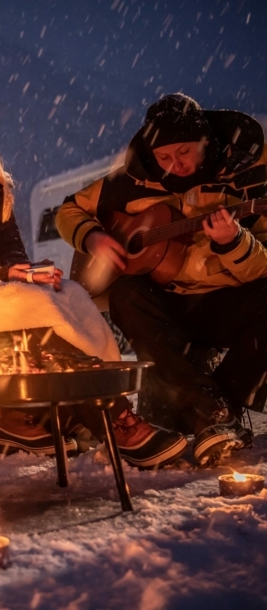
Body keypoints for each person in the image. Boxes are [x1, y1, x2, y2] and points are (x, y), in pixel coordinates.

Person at [0, 85, 185, 467]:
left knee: (61, 300)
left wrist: (28, 276)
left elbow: (11, 250)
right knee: (32, 319)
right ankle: (114, 423)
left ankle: (83, 417)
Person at [56, 92, 267, 467]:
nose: (175, 165)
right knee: (125, 293)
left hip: (229, 300)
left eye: (184, 152)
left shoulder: (251, 172)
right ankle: (212, 415)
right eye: (164, 157)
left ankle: (218, 409)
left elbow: (263, 266)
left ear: (206, 141)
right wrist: (93, 236)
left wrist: (234, 242)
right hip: (168, 305)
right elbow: (70, 209)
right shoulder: (133, 177)